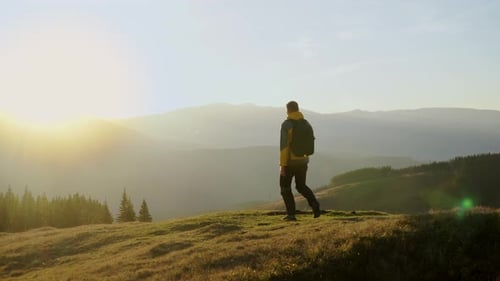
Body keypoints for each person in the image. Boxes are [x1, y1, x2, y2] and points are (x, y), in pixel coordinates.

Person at [279, 101, 321, 221]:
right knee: (301, 186)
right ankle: (315, 205)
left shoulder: (287, 124)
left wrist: (283, 165)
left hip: (291, 161)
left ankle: (291, 214)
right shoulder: (306, 123)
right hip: (304, 160)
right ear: (298, 109)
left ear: (288, 110)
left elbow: (284, 147)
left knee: (285, 187)